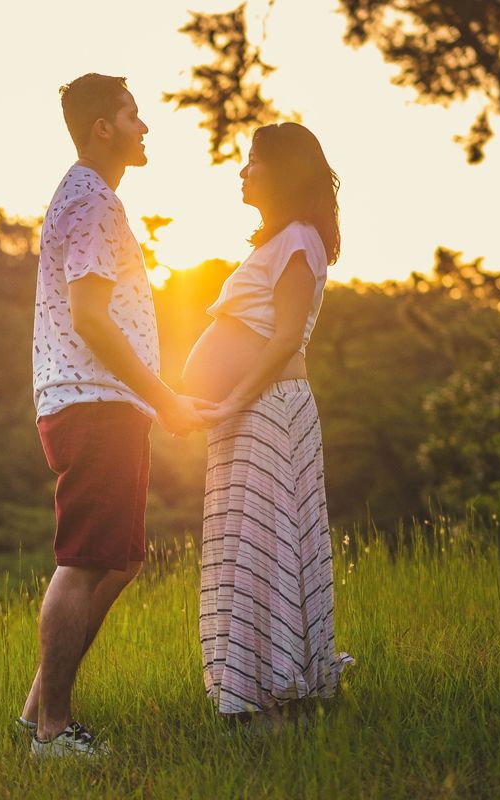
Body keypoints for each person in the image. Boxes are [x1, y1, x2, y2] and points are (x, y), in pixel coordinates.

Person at [21, 73, 210, 758]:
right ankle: (52, 731)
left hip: (107, 404)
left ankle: (38, 712)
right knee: (84, 562)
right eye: (135, 115)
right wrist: (164, 398)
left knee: (122, 560)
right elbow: (91, 319)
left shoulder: (90, 198)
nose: (145, 127)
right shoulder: (93, 201)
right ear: (104, 126)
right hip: (94, 402)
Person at [186, 122, 354, 719]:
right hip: (250, 412)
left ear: (281, 172)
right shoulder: (278, 241)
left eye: (253, 162)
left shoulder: (301, 240)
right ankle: (255, 688)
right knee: (247, 548)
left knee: (270, 546)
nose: (243, 171)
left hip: (270, 410)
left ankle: (280, 694)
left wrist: (234, 398)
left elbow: (284, 338)